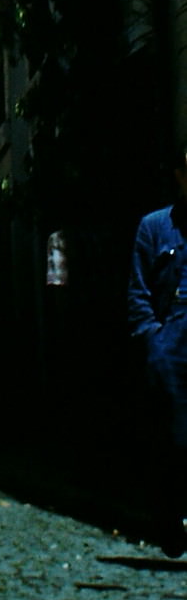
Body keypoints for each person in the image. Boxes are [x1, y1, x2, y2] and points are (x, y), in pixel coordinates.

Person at [128, 147, 187, 556]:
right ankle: (170, 515)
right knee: (174, 437)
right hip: (171, 344)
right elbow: (139, 292)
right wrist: (155, 340)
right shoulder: (154, 227)